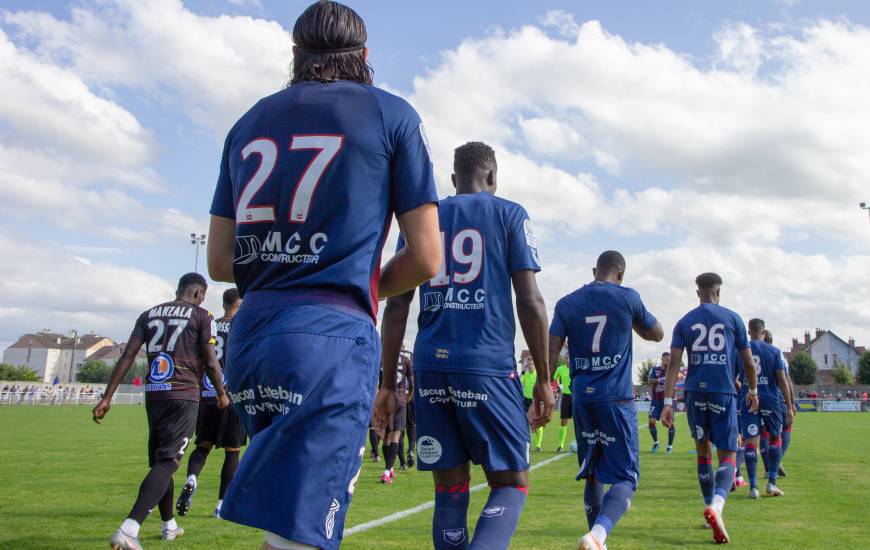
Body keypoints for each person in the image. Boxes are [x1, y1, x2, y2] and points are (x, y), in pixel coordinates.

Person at [206, 2, 442, 547]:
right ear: (365, 56)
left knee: (287, 528)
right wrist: (358, 282)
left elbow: (220, 262)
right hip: (329, 337)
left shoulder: (249, 120)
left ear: (295, 55)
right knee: (306, 534)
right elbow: (428, 256)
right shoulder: (391, 113)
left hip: (253, 334)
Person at [373, 141, 554, 550]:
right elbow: (530, 299)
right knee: (511, 483)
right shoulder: (510, 213)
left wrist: (387, 384)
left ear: (454, 180)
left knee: (450, 489)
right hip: (485, 365)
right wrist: (544, 378)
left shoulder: (424, 219)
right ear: (493, 177)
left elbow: (397, 303)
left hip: (430, 367)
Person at [93, 273, 228, 550]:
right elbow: (211, 360)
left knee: (160, 462)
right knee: (168, 462)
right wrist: (222, 394)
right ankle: (130, 527)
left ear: (178, 290)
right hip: (183, 394)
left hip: (155, 394)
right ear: (199, 294)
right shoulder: (203, 316)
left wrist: (107, 397)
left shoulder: (148, 314)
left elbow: (128, 355)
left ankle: (169, 526)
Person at [549, 250, 663, 550]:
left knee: (593, 474)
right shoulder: (627, 297)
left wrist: (545, 389)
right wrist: (633, 321)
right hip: (616, 398)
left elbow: (551, 350)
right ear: (621, 274)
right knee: (626, 477)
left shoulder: (566, 302)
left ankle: (597, 541)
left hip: (582, 399)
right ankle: (598, 535)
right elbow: (657, 334)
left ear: (594, 270)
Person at [661, 272, 759, 545]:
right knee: (728, 453)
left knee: (702, 450)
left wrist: (668, 403)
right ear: (719, 291)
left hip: (694, 392)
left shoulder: (684, 321)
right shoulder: (733, 318)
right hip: (723, 391)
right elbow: (749, 364)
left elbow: (674, 365)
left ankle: (708, 507)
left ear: (698, 292)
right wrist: (753, 391)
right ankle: (716, 506)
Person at [177, 288, 246, 518]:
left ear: (224, 303)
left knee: (203, 446)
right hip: (233, 396)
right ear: (240, 303)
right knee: (232, 452)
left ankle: (191, 478)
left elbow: (200, 360)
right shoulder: (242, 326)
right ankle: (220, 504)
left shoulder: (210, 325)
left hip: (207, 395)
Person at [738, 319, 795, 499]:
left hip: (748, 399)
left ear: (749, 332)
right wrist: (789, 406)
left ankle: (753, 487)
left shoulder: (740, 350)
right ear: (763, 332)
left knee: (750, 442)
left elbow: (731, 377)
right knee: (775, 438)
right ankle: (771, 483)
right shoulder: (775, 351)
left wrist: (744, 389)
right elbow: (782, 380)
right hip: (771, 399)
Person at [379, 350, 413, 483]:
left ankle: (390, 468)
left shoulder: (383, 359)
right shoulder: (406, 360)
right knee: (396, 436)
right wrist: (409, 394)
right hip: (400, 399)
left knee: (386, 436)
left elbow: (378, 382)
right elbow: (412, 381)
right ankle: (386, 472)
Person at [647, 352, 676, 453]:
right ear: (662, 360)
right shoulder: (655, 369)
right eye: (667, 360)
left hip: (667, 401)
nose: (668, 361)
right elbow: (649, 380)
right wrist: (660, 379)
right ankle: (656, 443)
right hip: (656, 401)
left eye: (669, 360)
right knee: (651, 422)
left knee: (671, 424)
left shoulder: (672, 371)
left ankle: (669, 447)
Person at [521, 359, 545, 452]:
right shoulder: (525, 374)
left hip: (536, 400)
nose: (530, 366)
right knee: (525, 422)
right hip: (526, 400)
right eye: (529, 365)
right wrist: (522, 373)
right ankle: (527, 442)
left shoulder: (537, 375)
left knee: (537, 421)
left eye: (532, 364)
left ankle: (538, 445)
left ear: (535, 365)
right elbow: (520, 384)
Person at [552, 354, 573, 452]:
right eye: (566, 357)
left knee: (579, 421)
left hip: (576, 396)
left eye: (569, 357)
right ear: (565, 359)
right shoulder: (560, 369)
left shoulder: (577, 367)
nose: (568, 359)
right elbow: (555, 377)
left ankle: (581, 444)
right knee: (563, 420)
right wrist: (559, 386)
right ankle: (560, 445)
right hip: (566, 396)